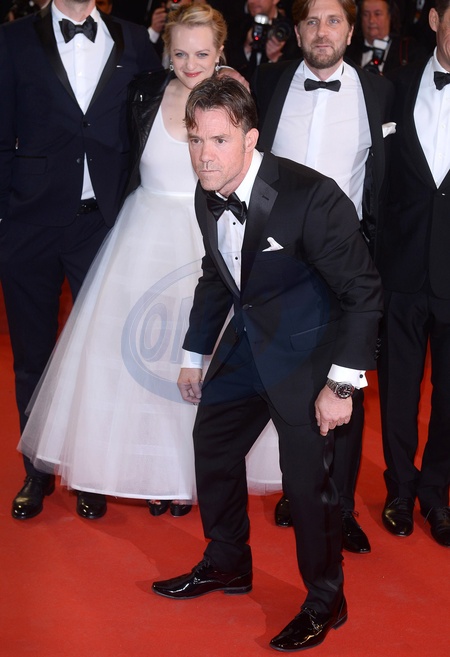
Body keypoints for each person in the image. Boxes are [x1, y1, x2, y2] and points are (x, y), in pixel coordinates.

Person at [151, 76, 383, 652]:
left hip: (310, 355)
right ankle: (228, 560)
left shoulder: (313, 196)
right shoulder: (208, 190)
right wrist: (193, 354)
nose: (205, 155)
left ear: (251, 139)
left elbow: (363, 292)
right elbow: (217, 274)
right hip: (247, 345)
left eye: (220, 140)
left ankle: (326, 599)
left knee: (307, 486)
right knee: (213, 444)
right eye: (196, 140)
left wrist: (342, 386)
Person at [17, 3, 274, 518]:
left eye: (202, 53)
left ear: (221, 52)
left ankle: (187, 477)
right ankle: (145, 472)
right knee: (135, 363)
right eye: (180, 53)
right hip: (138, 237)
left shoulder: (235, 98)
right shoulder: (144, 91)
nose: (191, 63)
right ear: (166, 52)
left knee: (198, 358)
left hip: (204, 239)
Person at [0, 0, 160, 520]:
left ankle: (91, 471)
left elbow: (154, 121)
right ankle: (37, 471)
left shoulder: (135, 40)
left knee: (101, 357)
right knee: (32, 355)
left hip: (104, 223)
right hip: (29, 223)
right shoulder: (12, 40)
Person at [251, 0, 394, 553]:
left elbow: (387, 181)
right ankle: (298, 491)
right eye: (312, 21)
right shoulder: (269, 84)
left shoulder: (379, 93)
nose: (322, 31)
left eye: (333, 20)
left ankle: (343, 507)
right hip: (279, 258)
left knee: (344, 380)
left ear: (350, 31)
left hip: (345, 258)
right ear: (298, 30)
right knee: (288, 380)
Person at [376, 0, 450, 548]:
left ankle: (436, 493)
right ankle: (400, 489)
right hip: (399, 269)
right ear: (435, 20)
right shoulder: (394, 87)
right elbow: (378, 180)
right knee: (398, 390)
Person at [225, 0, 301, 81]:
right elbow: (227, 64)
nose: (252, 1)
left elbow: (295, 75)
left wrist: (276, 59)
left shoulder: (290, 31)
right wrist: (246, 48)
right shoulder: (237, 26)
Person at [346, 0, 426, 74]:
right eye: (366, 14)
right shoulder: (348, 49)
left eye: (377, 14)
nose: (371, 20)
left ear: (390, 15)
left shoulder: (408, 50)